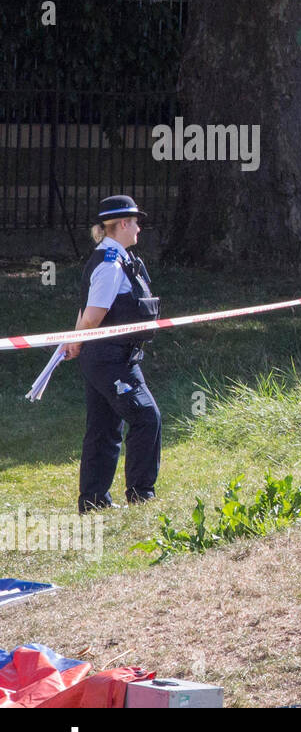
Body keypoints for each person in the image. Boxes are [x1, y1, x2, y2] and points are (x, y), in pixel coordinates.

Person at [65, 196, 162, 513]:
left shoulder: (114, 257)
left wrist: (76, 340)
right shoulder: (110, 263)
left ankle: (93, 501)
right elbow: (93, 314)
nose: (139, 228)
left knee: (103, 428)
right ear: (122, 224)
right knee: (146, 417)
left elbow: (86, 309)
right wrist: (78, 337)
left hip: (107, 357)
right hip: (111, 359)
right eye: (135, 222)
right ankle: (141, 495)